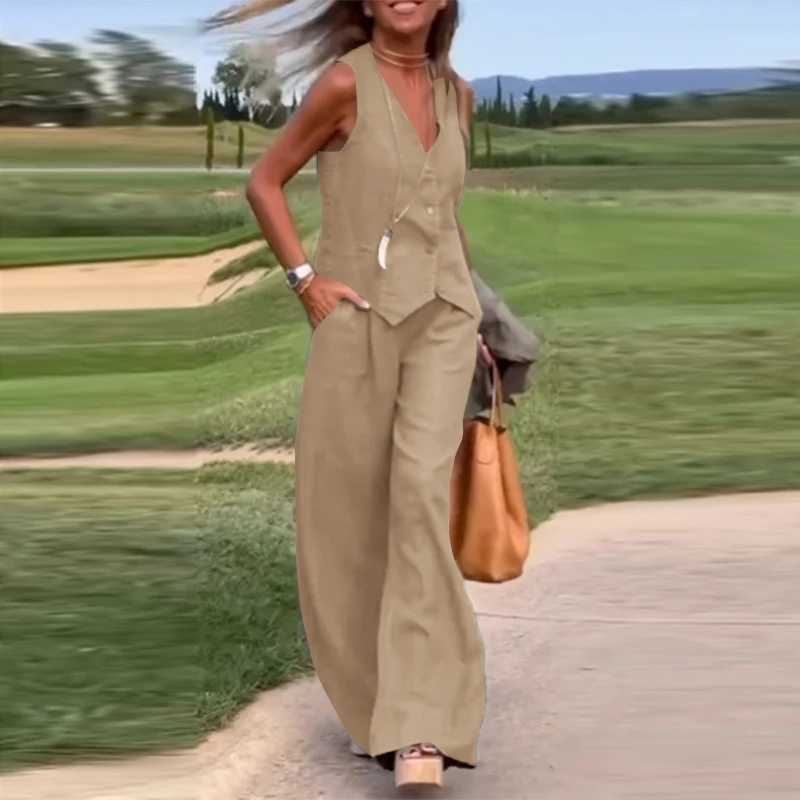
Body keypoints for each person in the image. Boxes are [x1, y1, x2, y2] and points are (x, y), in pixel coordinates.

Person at [207, 0, 491, 789]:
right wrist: (305, 280)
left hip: (442, 322)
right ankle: (376, 712)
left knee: (417, 498)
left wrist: (481, 317)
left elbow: (446, 216)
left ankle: (424, 724)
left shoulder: (458, 96)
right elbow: (265, 182)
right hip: (357, 321)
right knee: (349, 517)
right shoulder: (342, 85)